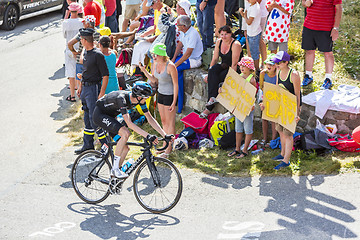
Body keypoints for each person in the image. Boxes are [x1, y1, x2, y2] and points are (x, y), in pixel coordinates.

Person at [93, 81, 172, 178]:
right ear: (139, 97)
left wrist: (165, 135)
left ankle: (114, 179)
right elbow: (129, 123)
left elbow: (150, 118)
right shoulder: (122, 99)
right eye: (146, 98)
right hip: (100, 115)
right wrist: (147, 135)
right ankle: (115, 170)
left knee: (125, 148)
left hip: (111, 117)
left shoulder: (139, 101)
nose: (147, 100)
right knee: (125, 133)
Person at [139, 43, 178, 157]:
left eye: (155, 54)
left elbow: (176, 85)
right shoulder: (155, 63)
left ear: (162, 54)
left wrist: (174, 101)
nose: (154, 57)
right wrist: (143, 70)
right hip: (160, 94)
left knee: (170, 123)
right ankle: (166, 144)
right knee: (164, 121)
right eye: (153, 54)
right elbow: (154, 80)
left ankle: (169, 149)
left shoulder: (170, 66)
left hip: (170, 95)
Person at [75, 28, 109, 155]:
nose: (81, 42)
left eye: (81, 39)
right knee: (87, 118)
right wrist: (80, 87)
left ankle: (106, 145)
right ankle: (88, 145)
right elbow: (86, 71)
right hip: (85, 88)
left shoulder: (97, 55)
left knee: (95, 119)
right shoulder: (87, 53)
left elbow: (105, 75)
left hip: (94, 89)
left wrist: (102, 93)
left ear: (84, 40)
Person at [200, 25, 242, 118]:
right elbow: (214, 59)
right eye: (222, 34)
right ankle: (212, 98)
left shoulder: (235, 44)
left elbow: (234, 64)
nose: (224, 36)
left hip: (235, 68)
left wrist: (231, 79)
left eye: (226, 34)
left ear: (231, 34)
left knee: (220, 76)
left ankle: (208, 108)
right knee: (213, 70)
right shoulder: (219, 42)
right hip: (224, 65)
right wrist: (209, 73)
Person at [301, 0, 342, 90]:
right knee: (309, 51)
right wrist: (305, 3)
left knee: (327, 53)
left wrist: (335, 28)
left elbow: (339, 9)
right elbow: (303, 2)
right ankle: (308, 75)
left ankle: (328, 79)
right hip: (309, 25)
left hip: (326, 27)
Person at [270, 51, 301, 170]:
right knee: (280, 131)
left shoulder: (294, 75)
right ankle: (282, 154)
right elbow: (277, 89)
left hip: (291, 107)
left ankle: (286, 160)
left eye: (279, 62)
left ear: (286, 62)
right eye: (276, 62)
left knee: (288, 134)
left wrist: (297, 113)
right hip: (281, 106)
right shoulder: (278, 71)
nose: (276, 64)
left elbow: (298, 95)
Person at [171, 15, 203, 113]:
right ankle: (176, 101)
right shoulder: (183, 31)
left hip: (194, 59)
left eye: (178, 25)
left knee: (175, 70)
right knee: (170, 66)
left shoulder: (192, 33)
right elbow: (180, 45)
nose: (177, 26)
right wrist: (173, 59)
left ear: (184, 26)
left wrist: (175, 65)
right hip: (186, 57)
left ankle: (179, 105)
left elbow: (188, 54)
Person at [227, 57, 257, 158]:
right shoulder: (238, 76)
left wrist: (252, 105)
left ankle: (245, 150)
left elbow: (254, 94)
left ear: (250, 68)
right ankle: (237, 148)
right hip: (238, 107)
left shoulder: (251, 79)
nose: (242, 68)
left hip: (247, 107)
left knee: (248, 129)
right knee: (238, 129)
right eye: (241, 66)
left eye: (244, 66)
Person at [68, 15, 101, 91]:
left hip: (81, 61)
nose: (83, 24)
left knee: (80, 84)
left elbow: (70, 43)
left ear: (88, 24)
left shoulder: (82, 33)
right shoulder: (97, 33)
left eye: (84, 23)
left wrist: (74, 52)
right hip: (93, 61)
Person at [63, 3, 84, 102]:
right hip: (80, 50)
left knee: (71, 74)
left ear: (70, 11)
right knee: (79, 73)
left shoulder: (66, 23)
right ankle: (81, 95)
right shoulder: (82, 22)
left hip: (69, 50)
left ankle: (72, 96)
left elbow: (64, 35)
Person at [259, 54, 277, 146]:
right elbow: (261, 87)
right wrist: (262, 101)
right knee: (264, 118)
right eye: (268, 64)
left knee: (273, 119)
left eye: (272, 64)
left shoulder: (278, 74)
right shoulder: (263, 73)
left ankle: (273, 139)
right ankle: (265, 138)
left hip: (275, 98)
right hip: (265, 97)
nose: (269, 66)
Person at [239, 0, 262, 71]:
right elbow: (246, 17)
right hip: (250, 32)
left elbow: (249, 22)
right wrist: (241, 13)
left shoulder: (255, 8)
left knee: (255, 54)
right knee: (252, 52)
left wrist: (245, 16)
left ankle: (256, 69)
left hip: (254, 34)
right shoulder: (250, 5)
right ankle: (253, 68)